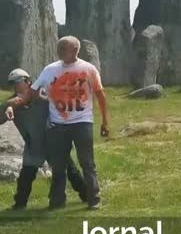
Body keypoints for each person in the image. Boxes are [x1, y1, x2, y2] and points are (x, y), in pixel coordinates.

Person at [12, 36, 110, 210]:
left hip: (82, 122)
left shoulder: (88, 69)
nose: (59, 50)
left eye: (64, 48)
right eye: (59, 47)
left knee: (87, 163)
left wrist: (105, 122)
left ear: (75, 51)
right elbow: (32, 91)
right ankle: (57, 202)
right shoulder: (50, 69)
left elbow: (100, 95)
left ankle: (94, 199)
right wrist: (17, 104)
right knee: (59, 167)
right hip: (58, 125)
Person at [5, 69, 89, 210]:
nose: (16, 86)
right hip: (34, 145)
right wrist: (9, 108)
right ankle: (19, 204)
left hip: (53, 142)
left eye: (18, 82)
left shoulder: (43, 95)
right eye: (14, 83)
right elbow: (6, 109)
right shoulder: (12, 104)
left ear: (28, 82)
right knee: (26, 176)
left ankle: (87, 195)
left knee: (71, 171)